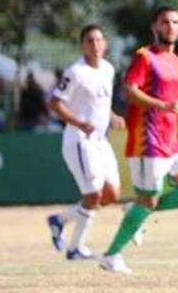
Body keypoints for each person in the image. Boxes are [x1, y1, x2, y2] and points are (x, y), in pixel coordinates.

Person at [99, 7, 178, 275]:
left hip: (172, 140)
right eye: (165, 22)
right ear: (155, 27)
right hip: (147, 141)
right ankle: (111, 256)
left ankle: (135, 210)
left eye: (175, 22)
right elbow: (129, 91)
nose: (170, 26)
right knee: (148, 200)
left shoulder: (177, 61)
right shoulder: (144, 56)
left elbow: (174, 101)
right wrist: (162, 105)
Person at [46, 25, 126, 260]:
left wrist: (112, 116)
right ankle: (75, 249)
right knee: (93, 194)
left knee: (111, 194)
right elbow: (55, 103)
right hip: (80, 140)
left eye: (99, 40)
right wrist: (79, 122)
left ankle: (60, 220)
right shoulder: (75, 72)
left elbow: (100, 102)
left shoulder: (108, 69)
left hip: (100, 140)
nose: (95, 45)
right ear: (82, 45)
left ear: (106, 43)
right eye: (90, 41)